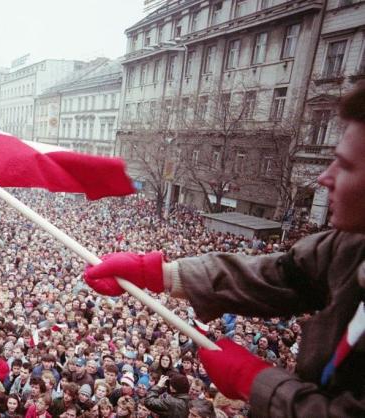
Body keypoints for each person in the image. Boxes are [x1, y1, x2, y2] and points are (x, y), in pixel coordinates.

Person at [84, 84, 365, 416]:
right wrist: (161, 274)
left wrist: (256, 382)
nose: (324, 177)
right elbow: (284, 274)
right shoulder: (352, 245)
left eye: (345, 165)